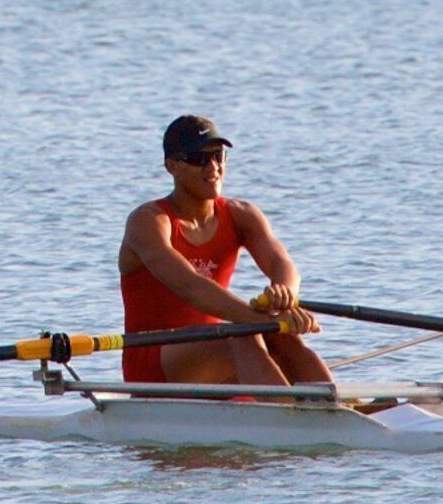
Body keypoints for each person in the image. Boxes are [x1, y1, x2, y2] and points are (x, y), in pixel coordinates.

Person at [118, 115, 330, 385]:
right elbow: (191, 286)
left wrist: (285, 295)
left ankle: (337, 410)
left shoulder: (242, 215)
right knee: (243, 336)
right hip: (152, 359)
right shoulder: (148, 221)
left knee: (282, 337)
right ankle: (296, 417)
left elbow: (282, 264)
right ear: (172, 166)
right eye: (200, 158)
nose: (213, 167)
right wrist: (263, 319)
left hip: (212, 349)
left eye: (218, 155)